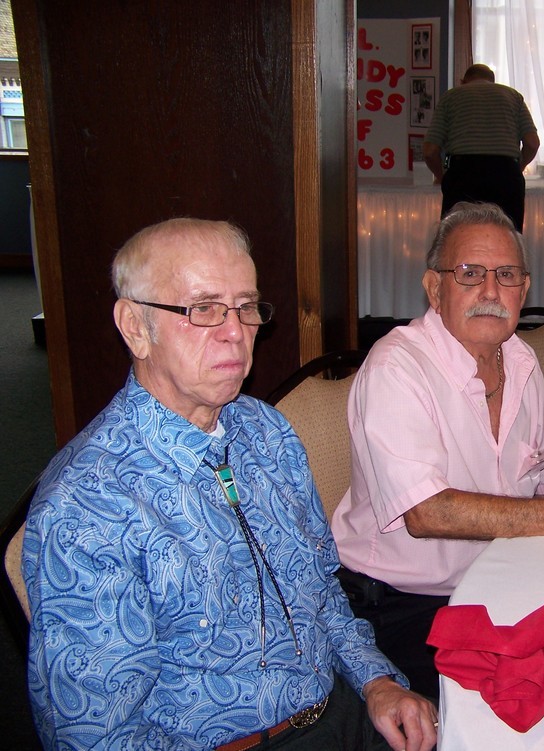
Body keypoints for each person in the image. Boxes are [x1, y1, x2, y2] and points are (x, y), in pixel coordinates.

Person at [22, 219, 437, 751]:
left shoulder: (266, 431)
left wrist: (377, 681)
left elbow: (320, 591)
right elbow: (98, 735)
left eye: (246, 307)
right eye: (204, 309)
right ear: (134, 327)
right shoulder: (89, 506)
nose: (235, 332)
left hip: (339, 706)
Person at [331, 202, 544, 701]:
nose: (490, 291)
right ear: (434, 288)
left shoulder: (520, 361)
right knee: (531, 700)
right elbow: (427, 513)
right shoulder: (396, 368)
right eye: (470, 273)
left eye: (506, 275)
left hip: (501, 581)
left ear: (523, 291)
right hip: (403, 605)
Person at [422, 63, 540, 232]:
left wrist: (443, 177)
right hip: (505, 175)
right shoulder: (513, 96)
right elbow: (532, 143)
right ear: (492, 81)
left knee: (459, 237)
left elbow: (430, 151)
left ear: (463, 81)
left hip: (463, 175)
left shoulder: (450, 97)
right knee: (507, 237)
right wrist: (518, 167)